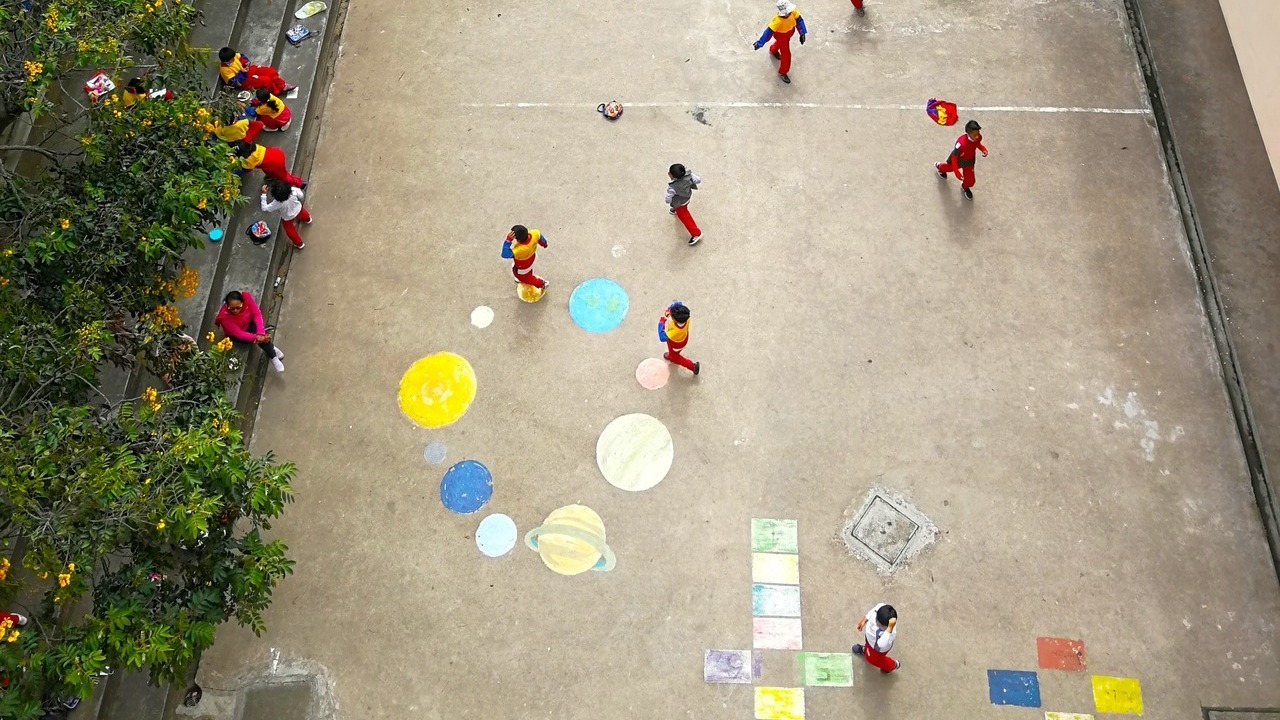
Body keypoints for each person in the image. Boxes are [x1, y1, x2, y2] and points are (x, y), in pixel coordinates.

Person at [215, 291, 284, 372]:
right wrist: (259, 337)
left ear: (242, 302)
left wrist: (261, 333)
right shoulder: (224, 318)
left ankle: (273, 354)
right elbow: (240, 334)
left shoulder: (247, 299)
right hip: (237, 336)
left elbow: (256, 314)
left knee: (258, 332)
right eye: (232, 308)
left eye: (238, 307)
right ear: (227, 305)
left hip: (248, 323)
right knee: (259, 338)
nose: (235, 311)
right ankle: (273, 353)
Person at [752, 0, 808, 84]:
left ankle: (773, 50)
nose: (790, 11)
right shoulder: (777, 21)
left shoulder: (792, 12)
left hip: (788, 35)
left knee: (780, 44)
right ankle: (783, 72)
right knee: (786, 55)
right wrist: (760, 43)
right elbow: (768, 32)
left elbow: (799, 20)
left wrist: (802, 33)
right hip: (782, 37)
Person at [936, 119, 988, 200]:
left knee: (971, 181)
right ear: (968, 133)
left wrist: (983, 149)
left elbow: (978, 144)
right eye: (975, 135)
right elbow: (954, 157)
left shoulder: (978, 137)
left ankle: (965, 187)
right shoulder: (961, 144)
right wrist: (957, 172)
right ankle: (939, 166)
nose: (977, 136)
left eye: (978, 133)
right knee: (948, 168)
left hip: (970, 161)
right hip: (958, 161)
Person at [217, 47, 296, 95]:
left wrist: (246, 63)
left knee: (270, 71)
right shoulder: (225, 70)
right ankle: (276, 92)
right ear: (226, 61)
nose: (234, 59)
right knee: (266, 80)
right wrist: (243, 73)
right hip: (243, 80)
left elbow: (241, 57)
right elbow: (235, 82)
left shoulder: (233, 57)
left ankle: (282, 86)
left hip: (247, 70)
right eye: (232, 59)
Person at [231, 140, 306, 188]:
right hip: (275, 154)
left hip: (275, 163)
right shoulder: (253, 146)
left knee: (284, 176)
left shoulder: (249, 160)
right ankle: (272, 176)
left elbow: (247, 169)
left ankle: (301, 183)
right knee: (268, 170)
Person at [260, 180, 311, 248]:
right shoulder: (293, 191)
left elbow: (264, 208)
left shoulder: (276, 203)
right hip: (298, 209)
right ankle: (308, 219)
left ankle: (299, 243)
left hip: (287, 217)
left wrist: (263, 194)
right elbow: (301, 195)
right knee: (304, 214)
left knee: (290, 230)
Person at [852, 603, 900, 673]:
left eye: (880, 625)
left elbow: (881, 644)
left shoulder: (890, 633)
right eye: (876, 619)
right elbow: (873, 611)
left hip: (877, 650)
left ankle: (892, 665)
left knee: (873, 659)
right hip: (869, 640)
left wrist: (889, 629)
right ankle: (866, 650)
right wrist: (864, 620)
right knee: (868, 647)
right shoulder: (880, 608)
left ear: (889, 626)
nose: (876, 623)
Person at [501, 224, 549, 290]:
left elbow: (505, 254)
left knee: (526, 278)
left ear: (518, 240)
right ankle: (527, 277)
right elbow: (542, 240)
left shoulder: (520, 250)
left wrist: (508, 240)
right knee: (529, 272)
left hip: (522, 266)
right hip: (532, 257)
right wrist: (544, 245)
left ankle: (542, 284)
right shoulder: (534, 233)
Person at [658, 301, 700, 375]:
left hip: (675, 343)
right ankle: (671, 354)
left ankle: (692, 366)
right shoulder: (687, 319)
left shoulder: (675, 331)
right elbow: (679, 304)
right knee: (673, 352)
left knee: (675, 358)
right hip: (683, 338)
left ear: (675, 320)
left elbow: (662, 337)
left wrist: (661, 322)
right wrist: (670, 309)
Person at [666, 164, 703, 246]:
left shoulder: (673, 187)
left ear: (672, 176)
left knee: (685, 217)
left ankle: (696, 233)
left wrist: (668, 201)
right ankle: (675, 209)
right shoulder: (689, 175)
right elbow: (698, 180)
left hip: (679, 203)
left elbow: (668, 198)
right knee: (683, 207)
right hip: (687, 197)